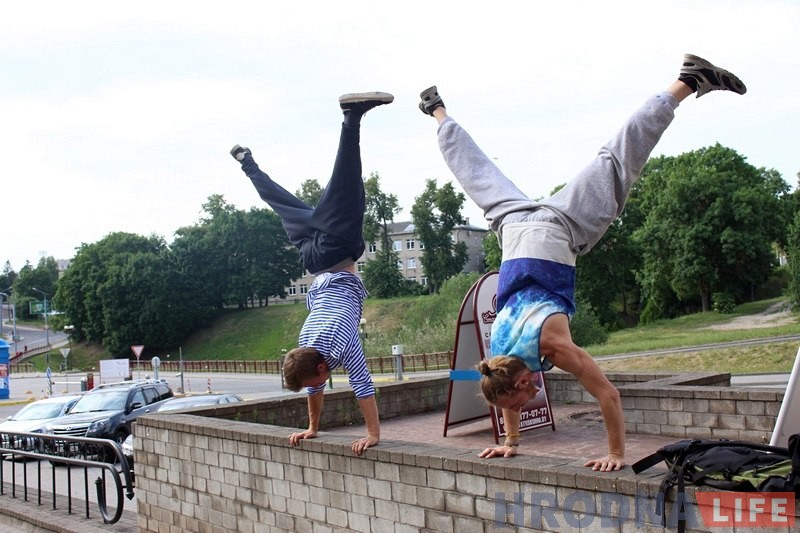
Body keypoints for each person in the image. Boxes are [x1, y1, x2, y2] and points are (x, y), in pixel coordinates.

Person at [419, 54, 746, 471]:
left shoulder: (552, 347)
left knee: (618, 161)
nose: (520, 405)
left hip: (558, 229)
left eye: (519, 401)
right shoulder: (498, 360)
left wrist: (616, 454)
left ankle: (687, 81)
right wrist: (511, 443)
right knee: (475, 172)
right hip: (513, 229)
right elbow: (505, 394)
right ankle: (437, 111)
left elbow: (608, 394)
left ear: (524, 381)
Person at [230, 91, 394, 455]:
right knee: (280, 202)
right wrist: (312, 428)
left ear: (320, 366)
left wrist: (373, 434)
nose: (315, 386)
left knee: (347, 185)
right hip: (312, 258)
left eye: (314, 381)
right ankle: (246, 162)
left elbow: (363, 387)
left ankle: (352, 116)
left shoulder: (340, 343)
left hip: (335, 250)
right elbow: (315, 384)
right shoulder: (305, 345)